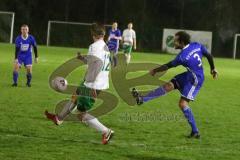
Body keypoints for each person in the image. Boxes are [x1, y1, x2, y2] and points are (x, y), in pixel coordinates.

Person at [132, 31, 218, 138]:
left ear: (181, 42)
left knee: (183, 104)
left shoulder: (182, 57)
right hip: (189, 75)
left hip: (195, 80)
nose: (174, 43)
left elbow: (168, 66)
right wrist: (213, 68)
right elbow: (209, 55)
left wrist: (155, 70)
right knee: (169, 85)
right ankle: (142, 99)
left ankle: (195, 131)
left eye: (175, 41)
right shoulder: (196, 45)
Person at [45, 23, 114, 145]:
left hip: (93, 84)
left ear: (93, 34)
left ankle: (106, 131)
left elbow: (97, 64)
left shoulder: (94, 46)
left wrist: (90, 83)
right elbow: (96, 61)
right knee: (75, 97)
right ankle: (59, 118)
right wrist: (83, 59)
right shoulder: (104, 47)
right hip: (97, 82)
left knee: (82, 115)